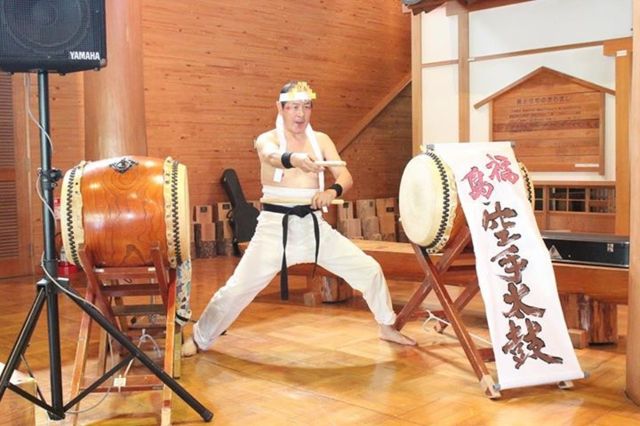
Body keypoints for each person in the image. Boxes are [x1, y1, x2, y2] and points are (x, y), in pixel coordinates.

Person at [183, 81, 415, 356]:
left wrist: (331, 191)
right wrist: (294, 159)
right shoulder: (267, 139)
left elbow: (345, 175)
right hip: (274, 230)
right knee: (236, 290)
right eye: (293, 107)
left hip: (313, 227)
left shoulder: (322, 140)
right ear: (280, 108)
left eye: (306, 106)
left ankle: (387, 326)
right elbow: (271, 156)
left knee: (369, 270)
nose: (300, 113)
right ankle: (200, 338)